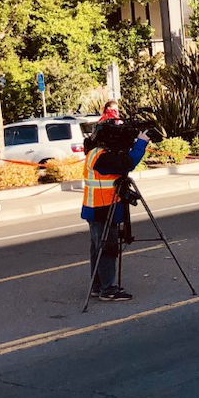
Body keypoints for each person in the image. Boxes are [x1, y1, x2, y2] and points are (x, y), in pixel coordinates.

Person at [82, 120, 149, 301]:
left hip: (99, 207)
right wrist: (141, 143)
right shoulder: (101, 156)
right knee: (107, 247)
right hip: (102, 208)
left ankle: (98, 286)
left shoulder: (96, 152)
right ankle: (108, 289)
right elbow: (128, 163)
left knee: (98, 247)